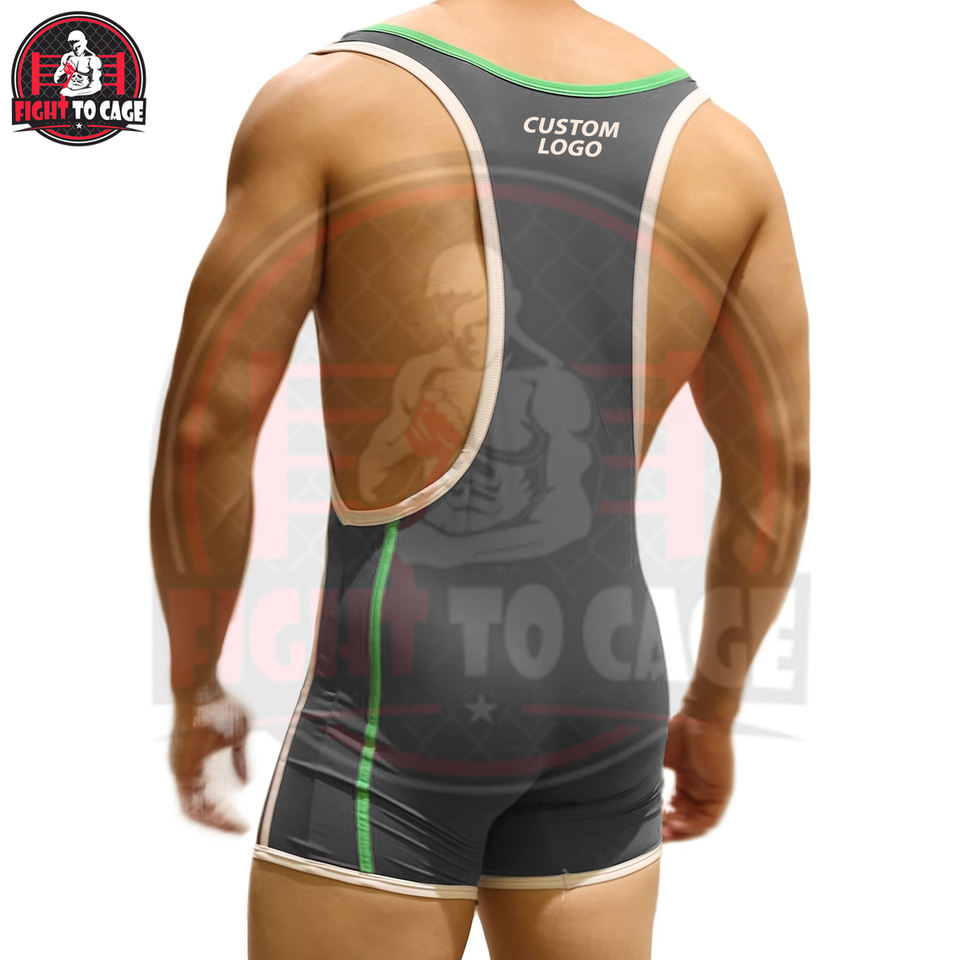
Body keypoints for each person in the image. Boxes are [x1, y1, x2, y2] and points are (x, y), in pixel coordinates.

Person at [150, 2, 810, 957]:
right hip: (609, 682)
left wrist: (194, 683)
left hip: (401, 690)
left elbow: (206, 427)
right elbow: (779, 473)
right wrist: (713, 705)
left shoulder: (334, 102)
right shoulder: (724, 151)